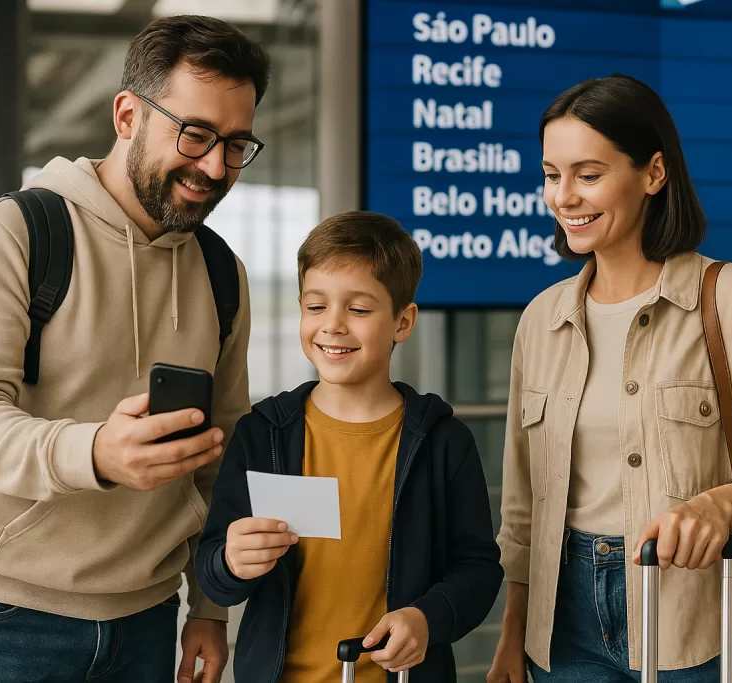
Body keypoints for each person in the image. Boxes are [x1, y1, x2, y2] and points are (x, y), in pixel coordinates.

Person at [0, 15, 271, 683]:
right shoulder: (10, 235)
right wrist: (96, 453)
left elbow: (218, 461)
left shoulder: (223, 274)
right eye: (195, 135)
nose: (216, 166)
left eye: (236, 144)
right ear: (128, 115)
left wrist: (211, 607)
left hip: (148, 621)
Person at [486, 74, 732, 683]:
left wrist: (719, 506)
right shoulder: (540, 320)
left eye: (588, 174)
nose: (563, 196)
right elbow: (523, 509)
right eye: (551, 174)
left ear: (653, 173)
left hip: (698, 616)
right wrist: (512, 637)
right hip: (560, 624)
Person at [194, 211, 505, 682]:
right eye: (315, 307)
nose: (333, 326)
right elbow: (215, 570)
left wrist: (427, 618)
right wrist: (231, 562)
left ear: (403, 321)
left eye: (358, 310)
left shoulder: (443, 441)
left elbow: (478, 571)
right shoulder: (263, 434)